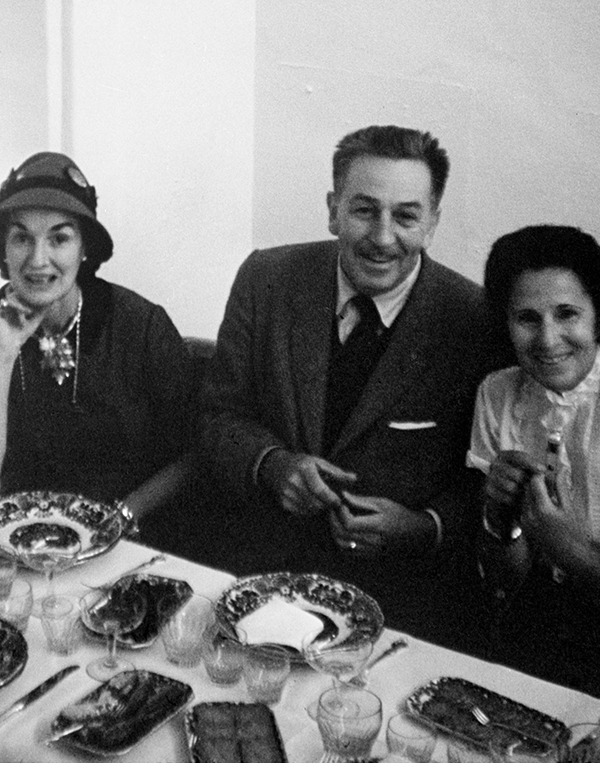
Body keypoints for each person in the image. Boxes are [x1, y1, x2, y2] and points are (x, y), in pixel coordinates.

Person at [198, 124, 490, 648]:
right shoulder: (266, 278)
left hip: (401, 603)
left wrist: (423, 526)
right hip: (258, 577)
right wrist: (272, 465)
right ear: (333, 209)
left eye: (405, 215)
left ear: (433, 221)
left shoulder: (473, 319)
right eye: (363, 210)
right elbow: (216, 415)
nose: (382, 237)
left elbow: (486, 477)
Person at [0, 152, 195, 543]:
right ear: (4, 248)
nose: (38, 259)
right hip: (26, 541)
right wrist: (3, 353)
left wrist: (125, 515)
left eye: (59, 238)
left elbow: (196, 452)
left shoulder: (141, 325)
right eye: (21, 238)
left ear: (85, 248)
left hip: (132, 540)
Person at [468, 225, 600, 700]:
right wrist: (500, 520)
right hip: (535, 634)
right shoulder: (498, 394)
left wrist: (564, 548)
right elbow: (503, 580)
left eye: (567, 314)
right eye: (527, 318)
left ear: (599, 315)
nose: (548, 338)